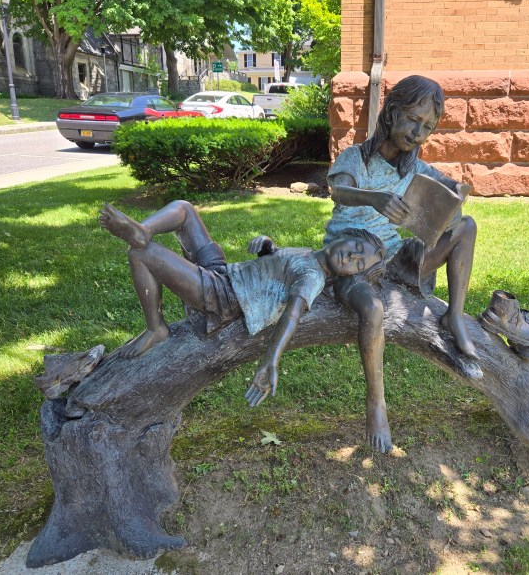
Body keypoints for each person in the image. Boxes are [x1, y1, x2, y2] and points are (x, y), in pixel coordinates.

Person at [323, 75, 479, 453]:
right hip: (354, 257)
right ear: (392, 113)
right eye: (413, 120)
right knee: (372, 309)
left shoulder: (415, 168)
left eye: (427, 127)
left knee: (467, 227)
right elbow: (338, 189)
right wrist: (373, 198)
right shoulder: (355, 157)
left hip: (396, 258)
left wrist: (455, 196)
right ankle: (376, 404)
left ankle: (454, 316)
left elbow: (451, 191)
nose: (418, 133)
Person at [98, 200, 385, 405]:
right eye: (356, 248)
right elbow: (280, 265)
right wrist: (268, 247)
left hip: (223, 297)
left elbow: (292, 315)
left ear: (351, 275)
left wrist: (270, 361)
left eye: (359, 264)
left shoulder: (312, 277)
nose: (352, 257)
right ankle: (143, 230)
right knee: (184, 209)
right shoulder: (308, 254)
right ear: (344, 236)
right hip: (225, 274)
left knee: (141, 254)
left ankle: (156, 327)